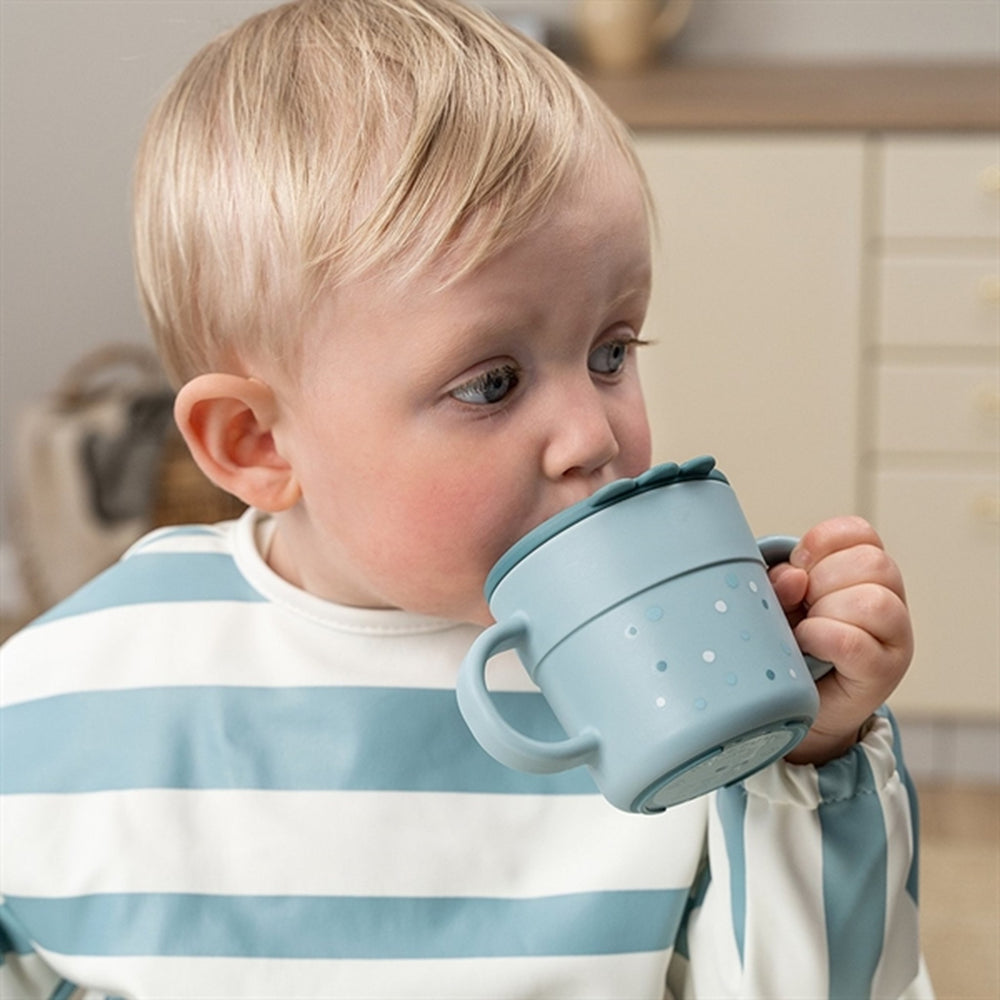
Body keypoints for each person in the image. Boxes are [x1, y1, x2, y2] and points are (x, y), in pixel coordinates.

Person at [0, 1, 933, 997]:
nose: (593, 434)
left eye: (611, 350)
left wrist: (811, 763)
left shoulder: (681, 679)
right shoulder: (59, 708)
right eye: (491, 383)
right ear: (258, 443)